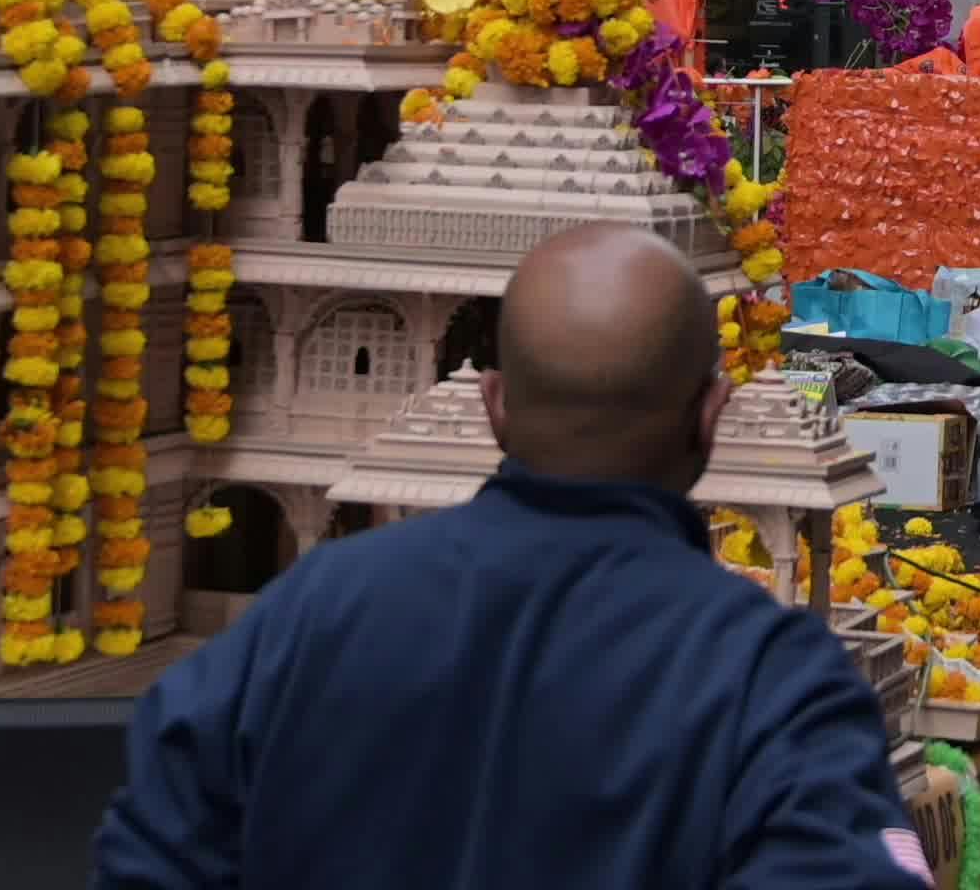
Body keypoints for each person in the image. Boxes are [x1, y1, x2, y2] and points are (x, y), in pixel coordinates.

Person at [97, 225, 920, 888]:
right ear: (711, 417)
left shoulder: (308, 614)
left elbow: (151, 852)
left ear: (493, 405)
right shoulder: (771, 678)